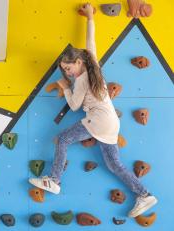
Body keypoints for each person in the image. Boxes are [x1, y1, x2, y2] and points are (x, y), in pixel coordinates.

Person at [29, 3, 157, 218]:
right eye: (65, 72)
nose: (68, 73)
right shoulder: (93, 66)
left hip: (98, 121)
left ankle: (54, 180)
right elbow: (91, 41)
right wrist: (89, 17)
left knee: (63, 140)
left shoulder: (79, 80)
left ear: (78, 62)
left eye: (68, 69)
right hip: (111, 123)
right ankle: (144, 194)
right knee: (114, 165)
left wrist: (64, 87)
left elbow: (74, 106)